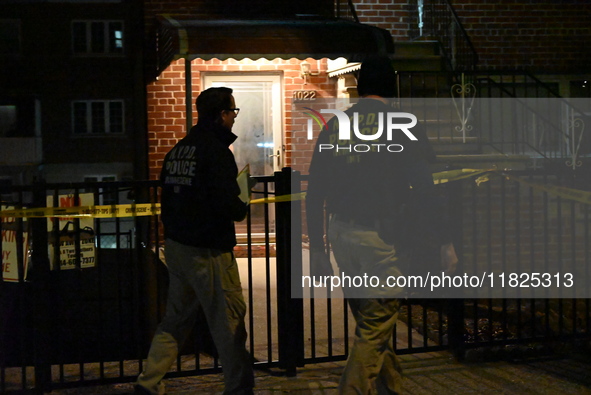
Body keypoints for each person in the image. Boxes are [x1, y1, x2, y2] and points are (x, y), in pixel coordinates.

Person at [306, 56, 458, 394]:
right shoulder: (401, 123)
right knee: (375, 327)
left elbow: (314, 193)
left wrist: (317, 248)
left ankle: (393, 389)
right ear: (392, 86)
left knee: (372, 325)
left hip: (341, 233)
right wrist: (444, 241)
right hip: (380, 238)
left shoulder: (335, 125)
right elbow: (425, 189)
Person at [135, 87, 255, 395]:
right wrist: (244, 203)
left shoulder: (179, 149)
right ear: (221, 115)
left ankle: (148, 383)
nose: (233, 118)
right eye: (232, 112)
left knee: (175, 320)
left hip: (177, 247)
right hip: (207, 251)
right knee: (229, 324)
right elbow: (229, 206)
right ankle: (239, 388)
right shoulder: (216, 152)